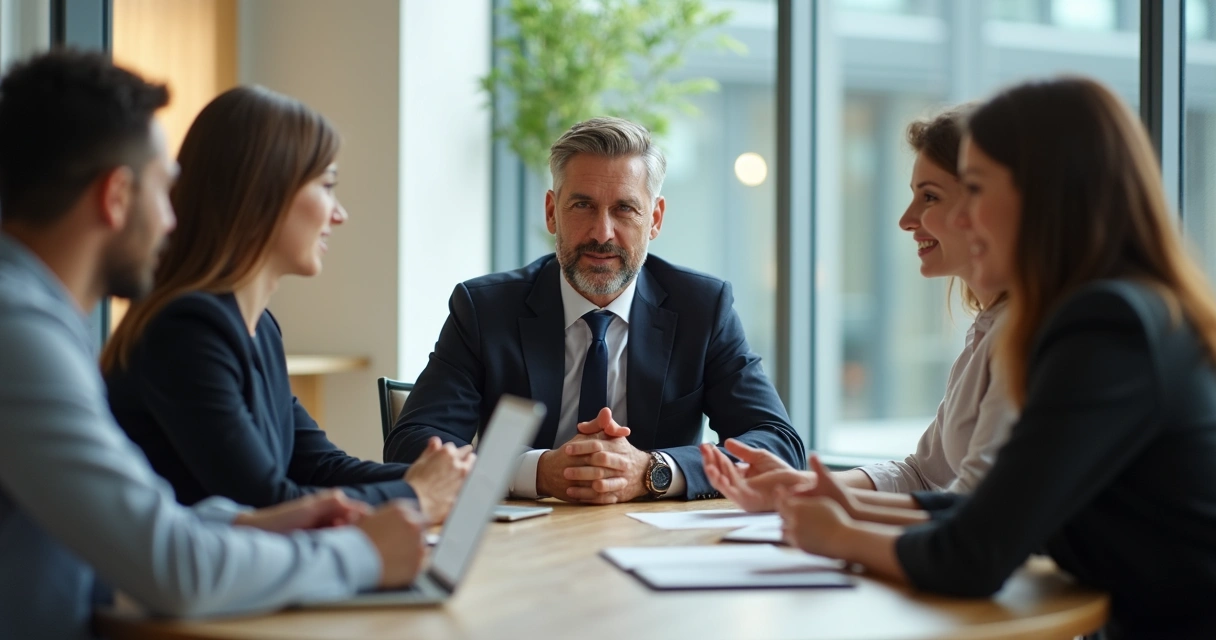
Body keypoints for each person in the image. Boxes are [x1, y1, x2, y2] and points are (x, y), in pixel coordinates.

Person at [0, 50, 428, 640]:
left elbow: (147, 523)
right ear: (116, 196)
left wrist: (258, 523)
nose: (174, 220)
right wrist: (363, 553)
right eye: (163, 191)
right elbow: (171, 566)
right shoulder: (19, 334)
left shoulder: (39, 321)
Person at [777, 77, 1216, 638]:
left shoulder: (1107, 325)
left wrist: (837, 535)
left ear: (1044, 194)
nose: (960, 219)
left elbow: (978, 552)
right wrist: (848, 508)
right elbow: (996, 513)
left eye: (976, 190)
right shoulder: (1118, 310)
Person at [383, 116, 804, 504]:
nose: (602, 233)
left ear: (654, 219)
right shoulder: (484, 310)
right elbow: (410, 448)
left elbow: (779, 447)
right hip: (518, 550)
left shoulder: (702, 309)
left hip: (657, 548)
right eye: (582, 206)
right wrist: (536, 471)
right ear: (552, 212)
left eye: (624, 208)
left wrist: (654, 470)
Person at [102, 86, 474, 523]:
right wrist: (414, 493)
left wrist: (447, 481)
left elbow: (320, 467)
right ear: (264, 192)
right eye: (327, 186)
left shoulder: (255, 327)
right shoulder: (186, 331)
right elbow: (267, 502)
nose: (339, 215)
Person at [702, 106, 1018, 512]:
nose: (906, 219)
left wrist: (834, 519)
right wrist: (805, 487)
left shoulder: (1019, 333)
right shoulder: (986, 330)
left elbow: (972, 512)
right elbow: (922, 474)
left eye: (930, 197)